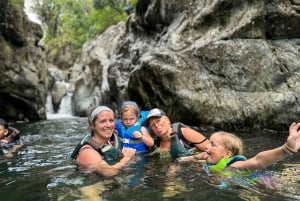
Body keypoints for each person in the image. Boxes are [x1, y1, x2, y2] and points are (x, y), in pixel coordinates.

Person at [203, 122, 300, 173]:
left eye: (213, 144)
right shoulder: (211, 162)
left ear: (228, 154)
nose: (206, 146)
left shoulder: (234, 165)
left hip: (258, 185)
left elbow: (258, 161)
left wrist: (286, 149)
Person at [71, 106, 136, 177]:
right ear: (92, 126)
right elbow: (109, 172)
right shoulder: (88, 152)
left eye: (111, 120)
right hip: (93, 185)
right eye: (103, 121)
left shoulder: (113, 140)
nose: (109, 125)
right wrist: (126, 158)